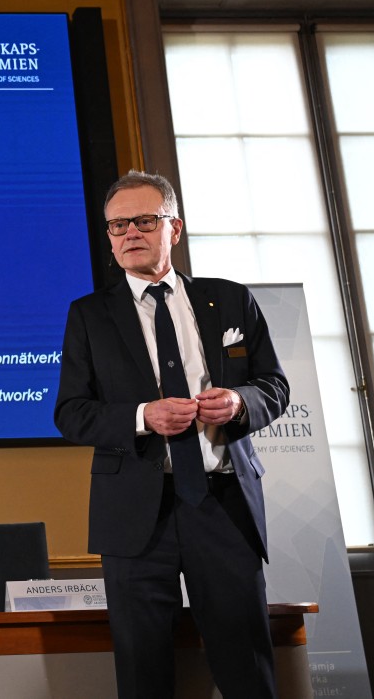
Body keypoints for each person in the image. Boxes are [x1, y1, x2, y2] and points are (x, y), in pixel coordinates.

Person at [54, 170, 289, 698]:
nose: (129, 233)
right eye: (117, 225)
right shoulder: (88, 316)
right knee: (144, 673)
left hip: (223, 505)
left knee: (246, 664)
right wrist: (142, 417)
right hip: (137, 514)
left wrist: (236, 401)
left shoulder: (229, 301)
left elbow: (273, 386)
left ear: (173, 228)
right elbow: (71, 412)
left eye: (143, 220)